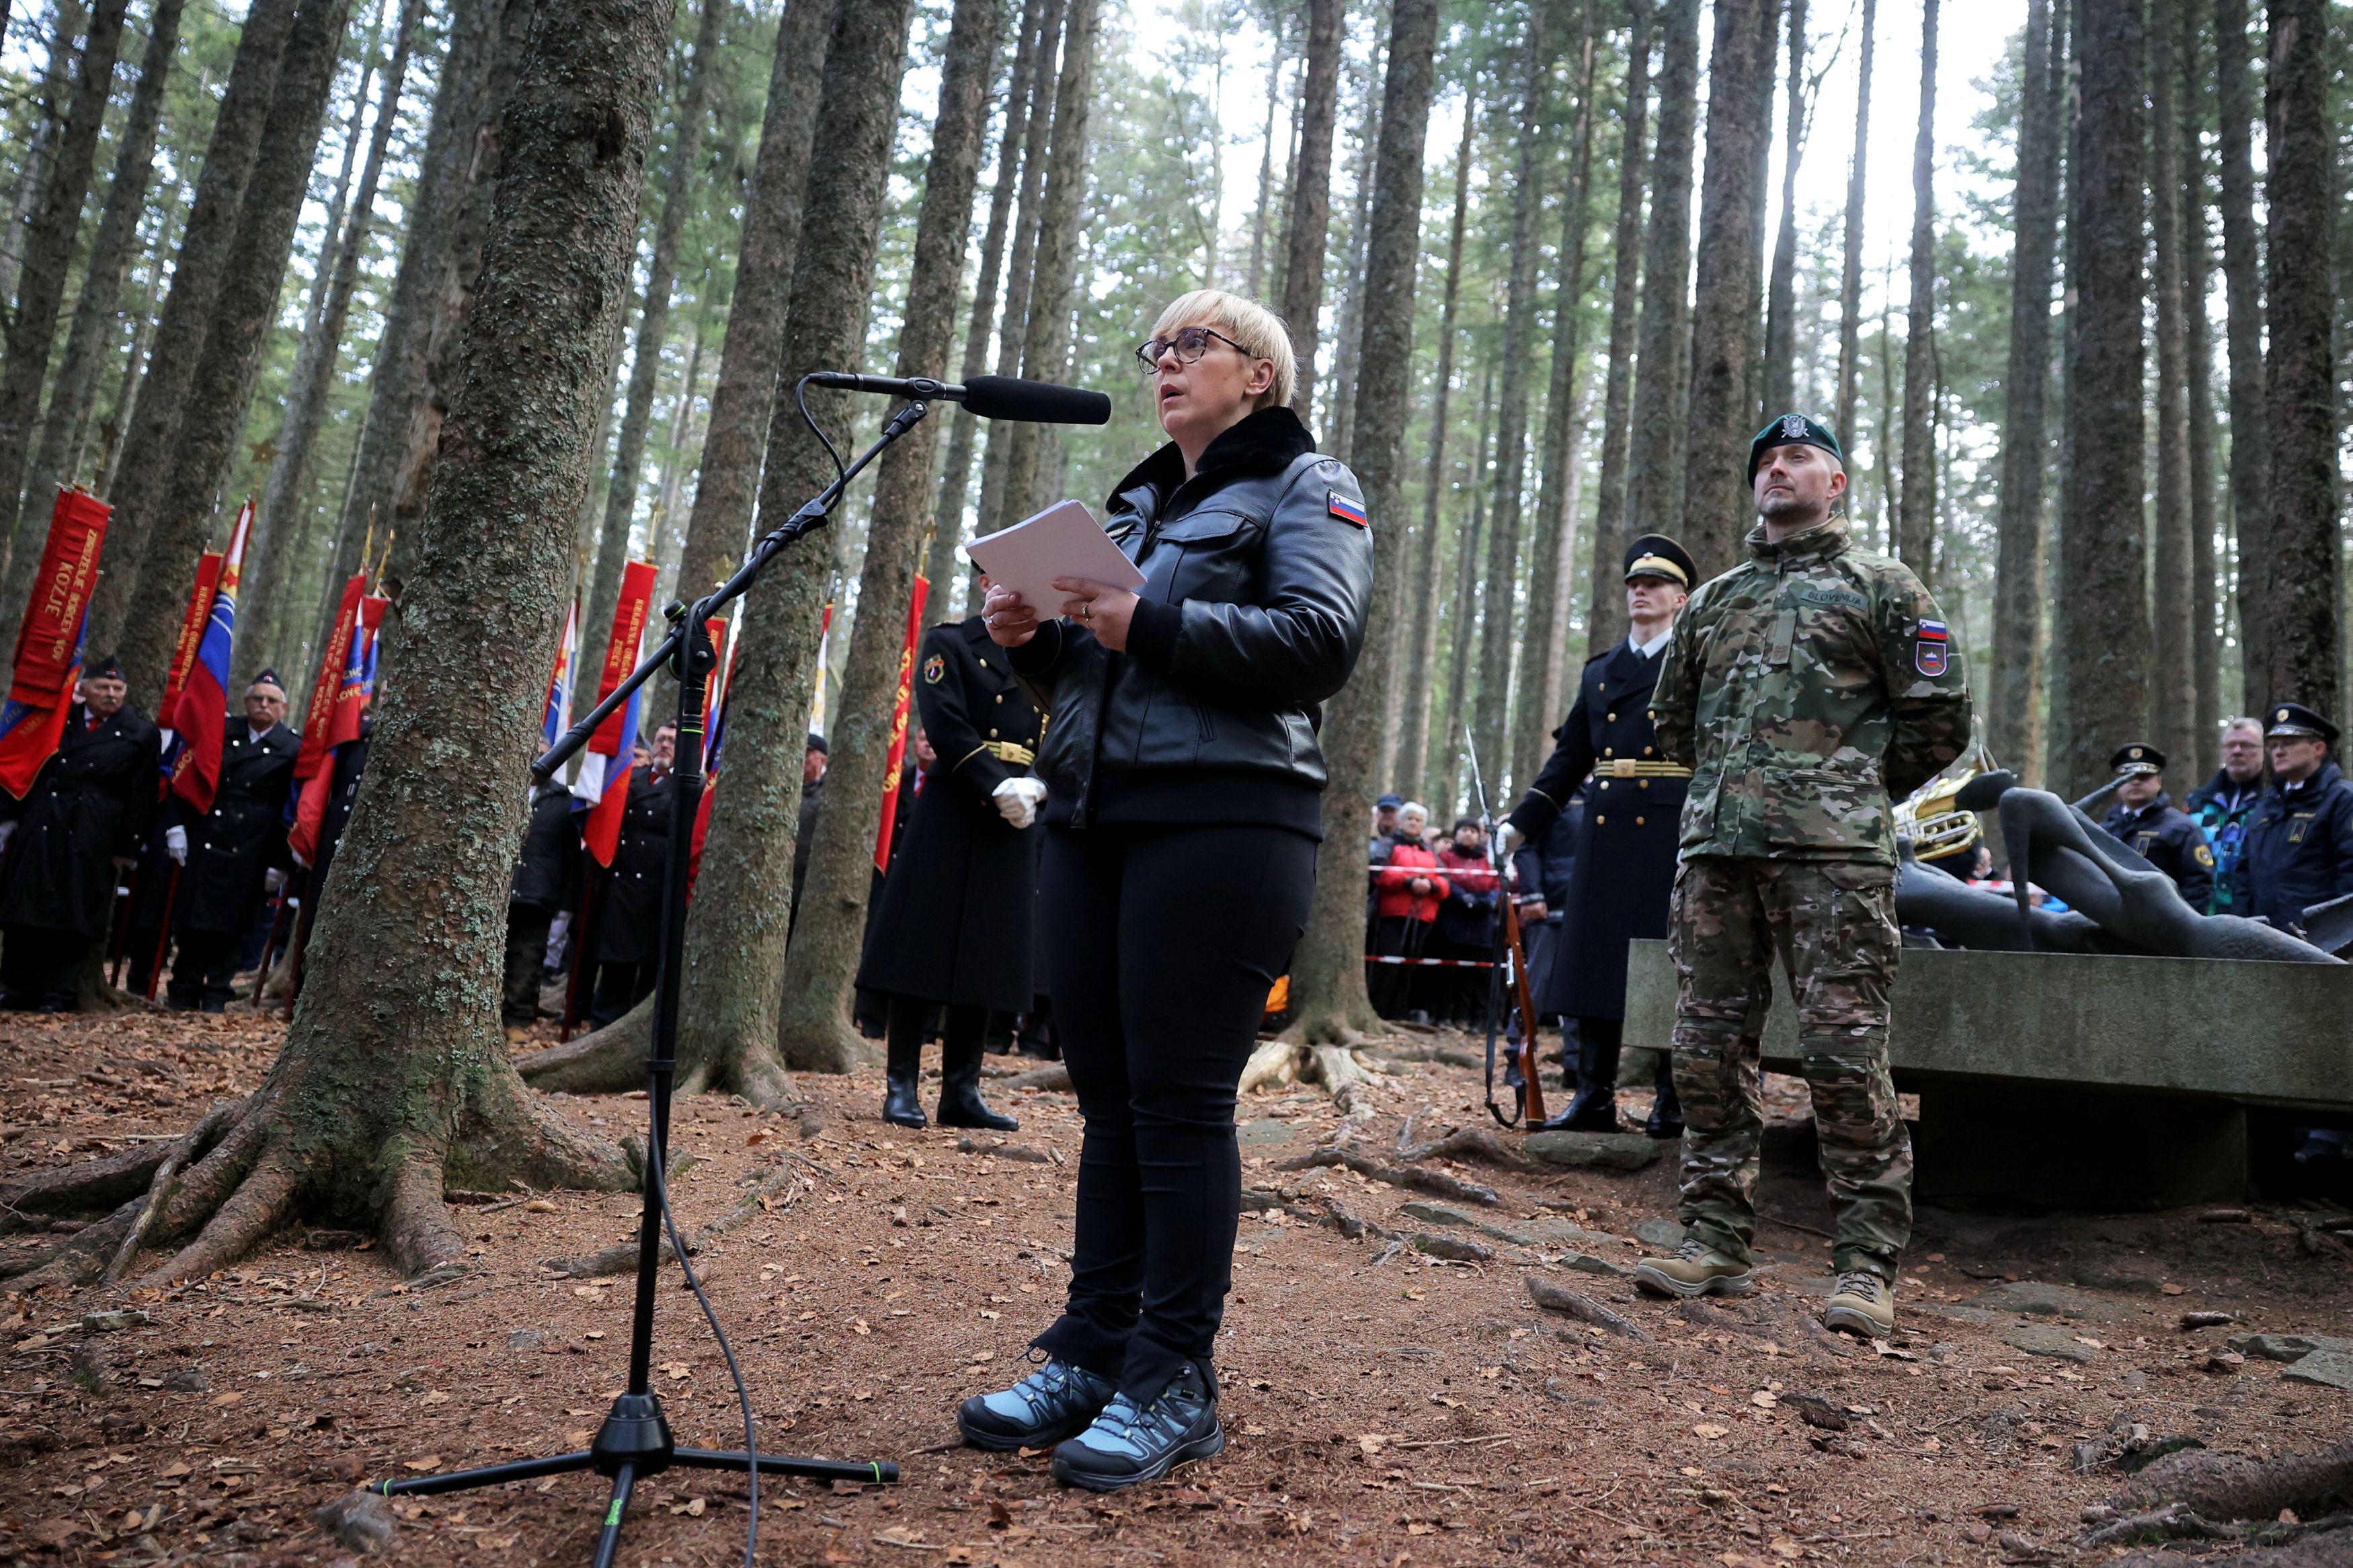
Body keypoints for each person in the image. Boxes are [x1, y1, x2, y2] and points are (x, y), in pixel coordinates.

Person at [958, 289, 1370, 1489]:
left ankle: (1174, 1376)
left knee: (1181, 1104)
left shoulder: (1306, 484)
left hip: (1229, 817)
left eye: (1196, 345)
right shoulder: (1133, 506)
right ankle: (1095, 1349)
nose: (1167, 363)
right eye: (1158, 348)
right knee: (1110, 1101)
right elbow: (1107, 676)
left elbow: (1320, 641)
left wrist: (1144, 621)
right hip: (1096, 819)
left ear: (1260, 373)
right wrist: (1036, 639)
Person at [1634, 415, 1970, 1341]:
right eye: (1765, 461)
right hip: (1717, 855)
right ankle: (1713, 1239)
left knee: (1842, 1056)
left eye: (1796, 458)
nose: (1776, 470)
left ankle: (1865, 1262)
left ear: (1836, 482)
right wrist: (1737, 791)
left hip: (1835, 861)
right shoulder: (1716, 598)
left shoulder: (1883, 587)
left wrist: (1845, 787)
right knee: (1704, 1052)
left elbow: (1940, 717)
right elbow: (1674, 720)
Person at [1500, 534, 1699, 1135]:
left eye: (1655, 584)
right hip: (1605, 832)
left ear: (1681, 598)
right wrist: (1520, 825)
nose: (1641, 591)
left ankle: (1672, 1099)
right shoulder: (1600, 672)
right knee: (1595, 962)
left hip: (1671, 830)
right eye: (1634, 584)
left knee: (1668, 964)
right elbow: (1568, 761)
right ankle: (1593, 1096)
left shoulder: (1696, 664)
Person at [856, 597, 1043, 1131]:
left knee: (988, 954)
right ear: (986, 582)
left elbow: (1066, 720)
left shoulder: (1045, 652)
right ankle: (901, 1085)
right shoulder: (951, 642)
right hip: (954, 805)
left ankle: (962, 1090)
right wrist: (996, 783)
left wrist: (1039, 783)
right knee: (919, 947)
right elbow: (945, 721)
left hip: (1016, 814)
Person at [0, 655, 161, 1010]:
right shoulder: (58, 720)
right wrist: (9, 816)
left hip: (95, 830)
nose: (111, 694)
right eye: (103, 687)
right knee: (25, 906)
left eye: (118, 688)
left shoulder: (140, 733)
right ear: (83, 689)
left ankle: (58, 991)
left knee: (75, 912)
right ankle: (17, 986)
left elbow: (142, 794)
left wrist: (128, 846)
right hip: (44, 820)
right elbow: (24, 764)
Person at [159, 671, 299, 1012]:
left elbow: (292, 808)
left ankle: (217, 993)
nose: (263, 704)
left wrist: (280, 861)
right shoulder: (219, 732)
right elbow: (187, 777)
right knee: (194, 920)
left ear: (283, 708)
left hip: (253, 846)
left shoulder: (292, 748)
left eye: (271, 700)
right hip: (207, 834)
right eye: (257, 698)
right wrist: (175, 827)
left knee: (235, 925)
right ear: (245, 702)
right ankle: (183, 988)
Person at [2229, 702, 2353, 934]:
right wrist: (2241, 930)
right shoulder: (2266, 806)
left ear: (2318, 749)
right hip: (2264, 939)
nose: (2278, 752)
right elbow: (2244, 878)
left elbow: (2350, 877)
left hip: (2320, 941)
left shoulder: (2342, 800)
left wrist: (2340, 937)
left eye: (2289, 744)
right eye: (2274, 745)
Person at [584, 727, 676, 1028]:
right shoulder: (629, 779)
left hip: (658, 897)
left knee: (650, 974)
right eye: (661, 739)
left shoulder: (689, 788)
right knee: (615, 968)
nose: (665, 745)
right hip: (621, 891)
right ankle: (602, 1028)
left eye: (672, 741)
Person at [506, 778, 584, 1037]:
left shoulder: (562, 801)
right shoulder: (504, 785)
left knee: (527, 958)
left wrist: (567, 903)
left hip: (538, 892)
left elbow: (571, 855)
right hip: (501, 888)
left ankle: (517, 1020)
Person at [2098, 743, 2214, 907]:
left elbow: (2198, 885)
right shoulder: (2104, 828)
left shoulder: (2181, 828)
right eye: (2127, 777)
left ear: (2158, 781)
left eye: (2144, 776)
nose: (2135, 782)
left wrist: (2178, 919)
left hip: (2163, 917)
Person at [1367, 802, 1444, 1019]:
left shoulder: (1429, 850)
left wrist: (1431, 885)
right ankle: (1379, 1011)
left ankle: (1399, 1014)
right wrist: (1409, 881)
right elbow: (1379, 873)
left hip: (1422, 917)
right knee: (1388, 965)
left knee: (1410, 968)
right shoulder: (1389, 844)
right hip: (1392, 916)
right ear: (1400, 822)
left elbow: (1445, 880)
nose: (1414, 823)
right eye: (1409, 818)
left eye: (1418, 820)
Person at [2188, 717, 2267, 914]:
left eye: (2246, 745)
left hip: (2255, 915)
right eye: (2231, 745)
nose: (2237, 751)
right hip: (2203, 914)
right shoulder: (2198, 802)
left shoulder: (2272, 802)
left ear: (2264, 751)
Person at [1429, 818, 1497, 1026]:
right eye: (1464, 830)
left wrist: (1490, 901)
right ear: (1456, 834)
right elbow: (1445, 879)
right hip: (1452, 921)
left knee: (1474, 974)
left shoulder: (1489, 858)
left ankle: (1465, 1017)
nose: (1468, 834)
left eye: (1473, 831)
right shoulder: (1446, 857)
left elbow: (1497, 883)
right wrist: (1463, 898)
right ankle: (1443, 1016)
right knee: (1447, 972)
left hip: (1481, 924)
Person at [789, 732, 827, 932]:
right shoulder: (788, 790)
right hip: (786, 883)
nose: (803, 758)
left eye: (808, 753)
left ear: (823, 759)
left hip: (811, 885)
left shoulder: (828, 794)